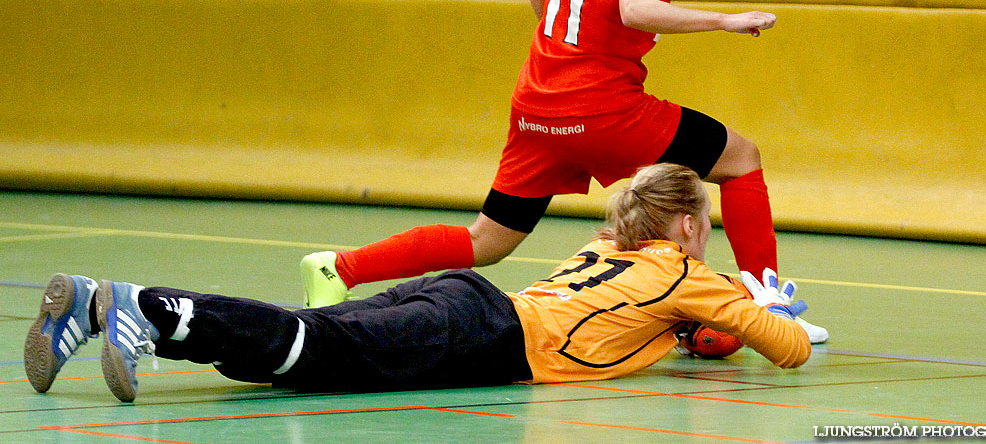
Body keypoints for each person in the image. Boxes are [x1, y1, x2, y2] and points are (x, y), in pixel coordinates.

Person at [301, 0, 828, 342]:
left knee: (487, 239)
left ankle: (338, 269)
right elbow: (636, 7)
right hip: (601, 108)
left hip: (537, 104)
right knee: (740, 160)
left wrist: (567, 45)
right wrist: (725, 21)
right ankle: (768, 305)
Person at [24, 165, 811, 404]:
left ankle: (107, 310)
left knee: (305, 344)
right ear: (687, 226)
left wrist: (701, 332)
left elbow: (639, 324)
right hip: (486, 336)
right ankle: (149, 304)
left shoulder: (611, 244)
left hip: (468, 301)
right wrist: (765, 307)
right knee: (314, 349)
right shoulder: (687, 271)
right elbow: (790, 350)